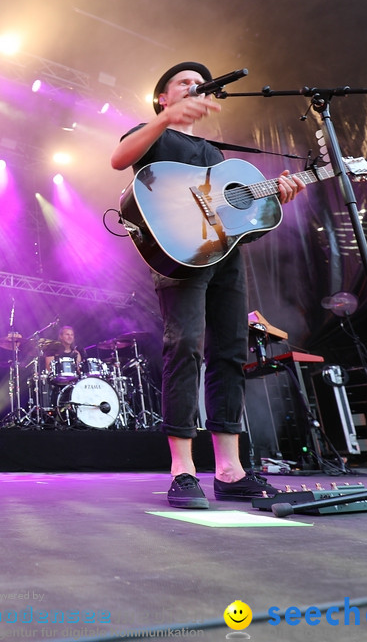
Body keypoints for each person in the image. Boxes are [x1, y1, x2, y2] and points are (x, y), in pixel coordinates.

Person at [110, 61, 306, 509]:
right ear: (163, 97)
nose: (194, 86)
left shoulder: (217, 157)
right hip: (180, 255)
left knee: (231, 353)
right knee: (186, 347)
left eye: (198, 84)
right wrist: (162, 121)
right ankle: (182, 470)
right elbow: (119, 159)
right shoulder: (154, 131)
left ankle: (230, 470)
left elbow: (240, 225)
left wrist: (277, 199)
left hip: (225, 259)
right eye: (183, 82)